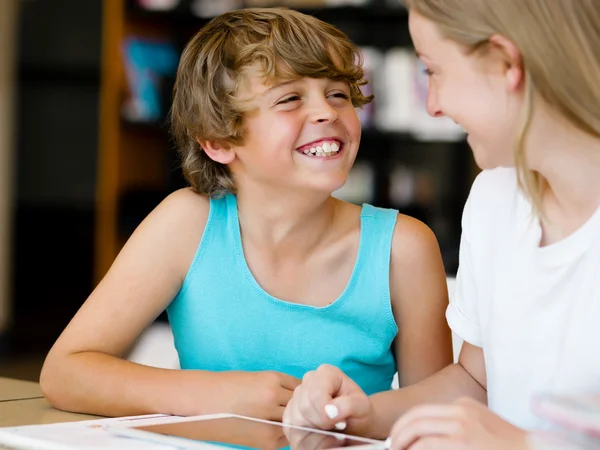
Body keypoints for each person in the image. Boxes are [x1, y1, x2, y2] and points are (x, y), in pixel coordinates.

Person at [39, 7, 453, 422]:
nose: (328, 112)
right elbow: (65, 371)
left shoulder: (404, 247)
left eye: (338, 94)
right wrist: (215, 393)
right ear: (219, 141)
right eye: (290, 98)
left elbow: (436, 417)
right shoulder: (186, 224)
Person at [282, 0, 600, 448]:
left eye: (432, 71)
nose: (432, 105)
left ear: (506, 63)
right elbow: (477, 381)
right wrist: (367, 416)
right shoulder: (496, 199)